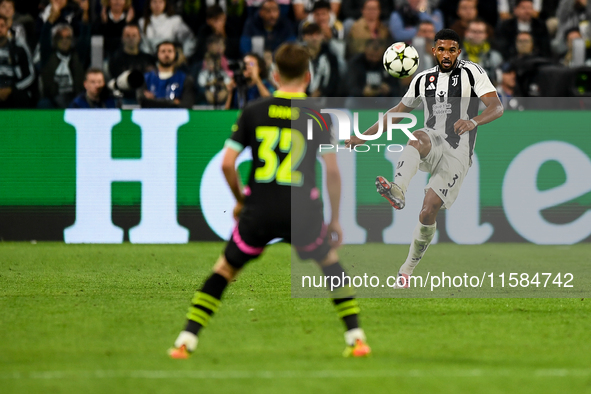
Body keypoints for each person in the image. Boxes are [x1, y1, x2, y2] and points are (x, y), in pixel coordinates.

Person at [168, 42, 371, 359]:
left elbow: (226, 164)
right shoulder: (319, 117)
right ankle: (356, 338)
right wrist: (334, 220)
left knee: (224, 269)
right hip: (302, 210)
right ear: (307, 77)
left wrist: (240, 201)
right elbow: (332, 173)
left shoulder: (254, 111)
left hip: (259, 209)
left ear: (275, 75)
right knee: (329, 263)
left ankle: (186, 341)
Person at [345, 29, 504, 288]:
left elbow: (497, 106)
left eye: (452, 50)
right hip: (433, 140)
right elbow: (397, 112)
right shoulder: (423, 79)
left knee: (429, 210)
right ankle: (398, 189)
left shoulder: (472, 73)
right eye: (441, 49)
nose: (446, 54)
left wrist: (472, 121)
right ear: (433, 51)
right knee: (417, 136)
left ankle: (406, 271)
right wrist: (364, 137)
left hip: (459, 151)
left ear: (458, 52)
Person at [39, 23, 85, 108]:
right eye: (60, 37)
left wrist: (85, 20)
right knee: (44, 104)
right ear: (55, 40)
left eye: (68, 37)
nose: (64, 41)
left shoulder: (78, 56)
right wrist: (49, 21)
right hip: (54, 98)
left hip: (75, 97)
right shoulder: (48, 57)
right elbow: (44, 40)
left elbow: (85, 39)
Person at [140, 41, 195, 108]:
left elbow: (187, 104)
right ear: (156, 55)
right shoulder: (146, 78)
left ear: (176, 55)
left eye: (170, 51)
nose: (166, 54)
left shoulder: (185, 79)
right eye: (163, 51)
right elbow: (143, 102)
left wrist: (154, 100)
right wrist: (173, 102)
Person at [0, 14, 35, 108]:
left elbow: (30, 75)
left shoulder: (19, 47)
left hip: (14, 90)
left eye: (2, 26)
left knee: (22, 97)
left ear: (7, 28)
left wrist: (12, 89)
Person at [458, 19, 503, 84]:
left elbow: (499, 81)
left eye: (480, 32)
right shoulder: (457, 56)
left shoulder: (495, 57)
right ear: (466, 33)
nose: (477, 35)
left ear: (486, 35)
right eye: (473, 31)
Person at [301, 23, 340, 96]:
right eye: (310, 35)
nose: (314, 38)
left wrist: (321, 92)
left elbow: (334, 80)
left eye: (317, 34)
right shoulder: (298, 57)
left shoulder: (331, 57)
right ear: (304, 37)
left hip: (326, 98)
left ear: (322, 36)